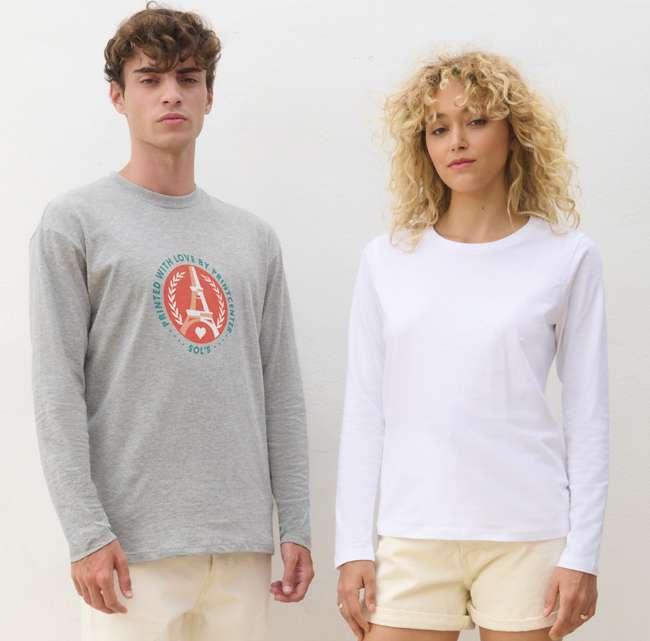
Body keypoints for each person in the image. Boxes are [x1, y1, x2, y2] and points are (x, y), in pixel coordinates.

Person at [28, 3, 313, 639]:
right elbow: (56, 391)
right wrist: (86, 533)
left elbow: (281, 392)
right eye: (150, 79)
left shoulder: (252, 239)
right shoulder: (75, 223)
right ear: (118, 97)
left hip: (240, 546)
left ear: (209, 96)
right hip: (130, 551)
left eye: (187, 78)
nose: (171, 94)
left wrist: (295, 524)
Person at [335, 49, 609, 641]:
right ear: (423, 145)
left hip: (526, 535)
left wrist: (582, 553)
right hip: (412, 533)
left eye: (477, 120)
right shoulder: (387, 260)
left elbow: (588, 415)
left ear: (515, 132)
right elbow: (364, 410)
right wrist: (352, 545)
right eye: (439, 128)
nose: (456, 141)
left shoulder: (566, 256)